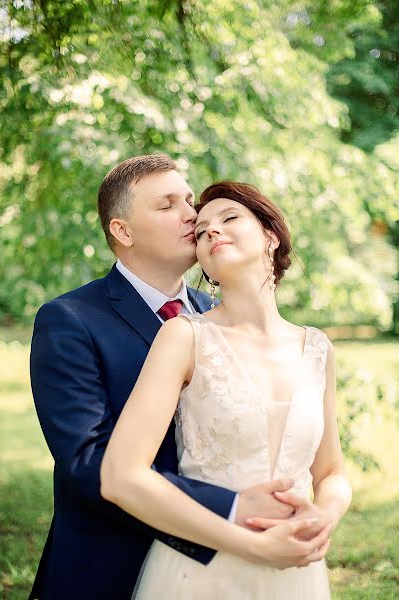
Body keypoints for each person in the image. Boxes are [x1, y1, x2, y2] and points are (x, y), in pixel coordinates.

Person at [30, 155, 311, 600]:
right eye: (166, 206)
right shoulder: (69, 320)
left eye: (188, 200)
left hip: (233, 567)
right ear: (122, 231)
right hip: (112, 566)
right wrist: (233, 508)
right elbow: (87, 464)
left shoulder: (219, 315)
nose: (191, 214)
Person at [101, 180, 352, 599]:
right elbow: (120, 478)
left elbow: (331, 472)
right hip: (202, 573)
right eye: (200, 232)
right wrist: (254, 546)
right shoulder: (183, 338)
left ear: (271, 235)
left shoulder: (317, 348)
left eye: (230, 218)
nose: (211, 230)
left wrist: (323, 516)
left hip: (297, 572)